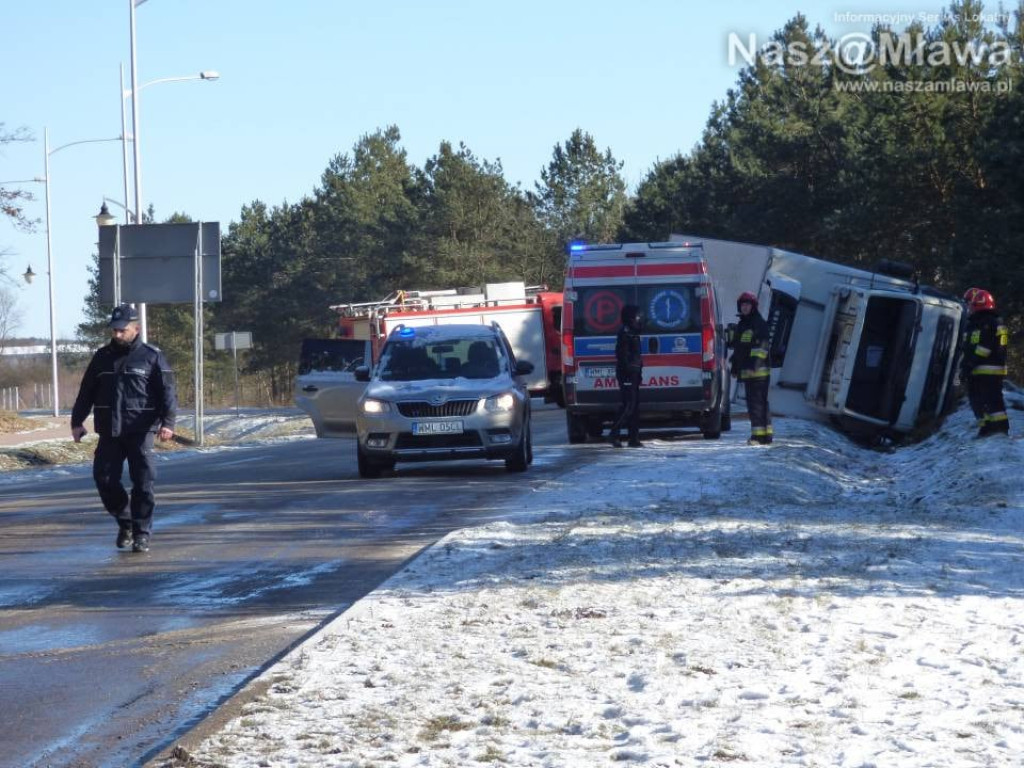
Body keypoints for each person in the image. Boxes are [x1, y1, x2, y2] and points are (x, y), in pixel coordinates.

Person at [71, 304, 177, 553]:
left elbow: (168, 392)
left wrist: (168, 423)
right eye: (114, 330)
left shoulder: (152, 356)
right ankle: (125, 521)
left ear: (135, 329)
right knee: (104, 478)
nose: (117, 334)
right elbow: (86, 391)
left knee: (143, 483)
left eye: (122, 330)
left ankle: (141, 533)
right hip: (110, 431)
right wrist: (77, 421)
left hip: (141, 431)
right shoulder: (102, 357)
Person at [961, 287, 1010, 438]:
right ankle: (986, 427)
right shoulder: (974, 324)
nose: (969, 307)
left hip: (989, 369)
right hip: (977, 369)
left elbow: (986, 347)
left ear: (978, 305)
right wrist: (964, 365)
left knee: (992, 399)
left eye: (971, 304)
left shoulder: (990, 323)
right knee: (978, 400)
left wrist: (971, 363)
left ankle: (1000, 429)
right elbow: (968, 347)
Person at [730, 291, 773, 445]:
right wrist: (735, 368)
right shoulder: (743, 324)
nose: (745, 307)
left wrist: (754, 366)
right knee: (759, 403)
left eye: (747, 304)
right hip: (749, 373)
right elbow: (739, 350)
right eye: (742, 304)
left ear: (753, 306)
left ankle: (758, 437)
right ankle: (766, 435)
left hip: (758, 373)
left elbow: (761, 348)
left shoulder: (758, 324)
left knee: (756, 404)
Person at [608, 304, 644, 448]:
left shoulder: (633, 332)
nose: (639, 319)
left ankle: (633, 438)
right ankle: (614, 433)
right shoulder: (625, 332)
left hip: (634, 372)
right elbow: (622, 355)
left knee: (634, 406)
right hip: (627, 373)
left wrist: (638, 371)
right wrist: (629, 370)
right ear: (630, 318)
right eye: (636, 316)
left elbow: (636, 356)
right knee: (628, 405)